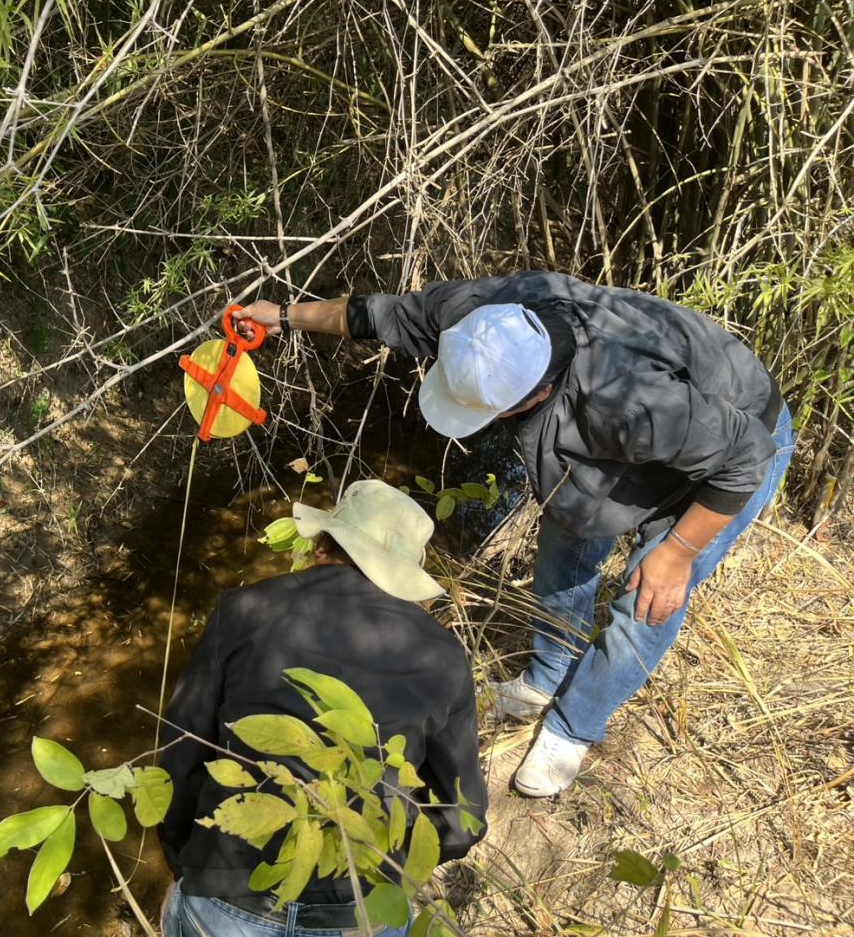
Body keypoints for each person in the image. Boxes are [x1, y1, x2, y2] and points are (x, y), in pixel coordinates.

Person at [233, 271, 794, 797]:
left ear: (534, 396)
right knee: (565, 543)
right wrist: (282, 316)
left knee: (647, 597)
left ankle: (574, 726)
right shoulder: (480, 320)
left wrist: (679, 550)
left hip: (732, 448)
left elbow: (744, 459)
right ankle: (548, 676)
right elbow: (375, 315)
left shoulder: (625, 402)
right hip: (660, 432)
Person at [159, 479, 487, 937]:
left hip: (225, 893)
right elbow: (461, 818)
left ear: (322, 546)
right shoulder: (446, 657)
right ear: (403, 572)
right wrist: (395, 865)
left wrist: (186, 861)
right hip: (359, 908)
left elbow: (179, 752)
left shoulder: (243, 609)